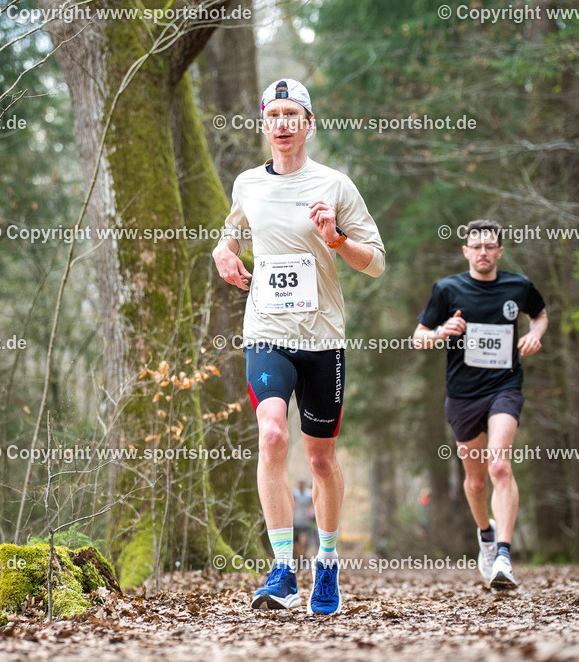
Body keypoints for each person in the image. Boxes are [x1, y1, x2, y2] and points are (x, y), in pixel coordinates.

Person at [212, 78, 385, 615]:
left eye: (293, 114)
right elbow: (233, 229)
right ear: (264, 123)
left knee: (320, 457)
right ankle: (283, 569)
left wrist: (335, 239)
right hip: (266, 331)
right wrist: (224, 249)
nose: (283, 124)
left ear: (309, 124)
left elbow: (376, 262)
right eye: (274, 114)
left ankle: (327, 567)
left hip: (323, 339)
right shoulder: (246, 184)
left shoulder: (335, 185)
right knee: (270, 433)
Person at [411, 220, 547, 590]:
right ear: (466, 252)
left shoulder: (518, 286)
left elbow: (539, 313)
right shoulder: (448, 289)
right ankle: (485, 536)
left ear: (499, 252)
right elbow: (418, 338)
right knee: (475, 481)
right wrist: (441, 332)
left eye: (490, 246)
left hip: (505, 386)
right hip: (463, 394)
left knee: (499, 465)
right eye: (477, 246)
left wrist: (534, 335)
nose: (483, 252)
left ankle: (503, 553)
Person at [292, 480, 317, 557]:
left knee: (303, 541)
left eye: (302, 483)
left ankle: (303, 557)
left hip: (305, 523)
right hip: (295, 522)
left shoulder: (309, 495)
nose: (301, 485)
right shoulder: (294, 494)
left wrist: (312, 513)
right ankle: (300, 557)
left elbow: (313, 506)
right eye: (299, 483)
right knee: (296, 543)